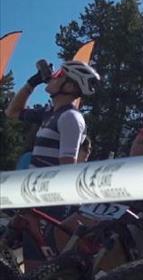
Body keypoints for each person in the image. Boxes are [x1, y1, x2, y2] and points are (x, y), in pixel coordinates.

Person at [4, 58, 99, 271]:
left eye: (59, 75)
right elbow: (12, 112)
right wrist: (33, 81)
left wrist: (40, 204)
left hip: (48, 204)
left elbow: (66, 169)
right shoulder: (50, 114)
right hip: (33, 200)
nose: (53, 75)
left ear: (70, 86)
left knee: (39, 270)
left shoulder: (70, 118)